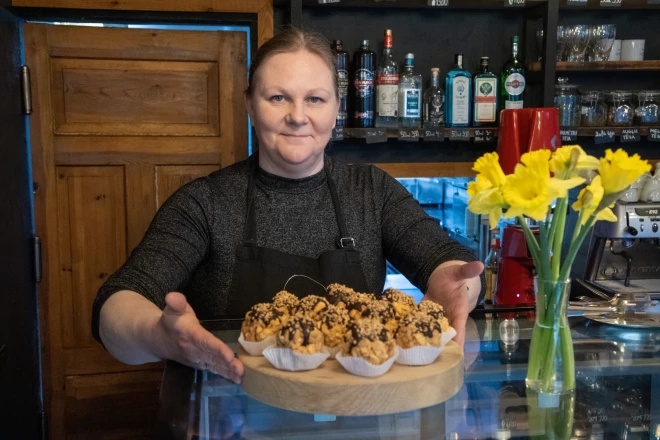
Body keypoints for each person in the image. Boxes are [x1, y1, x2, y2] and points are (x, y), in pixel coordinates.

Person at [92, 27, 483, 385]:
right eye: (278, 97)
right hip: (236, 414)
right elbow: (118, 304)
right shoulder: (205, 202)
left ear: (335, 109)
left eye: (315, 99)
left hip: (352, 416)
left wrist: (460, 285)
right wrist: (159, 336)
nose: (298, 117)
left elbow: (448, 263)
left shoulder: (371, 191)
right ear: (250, 106)